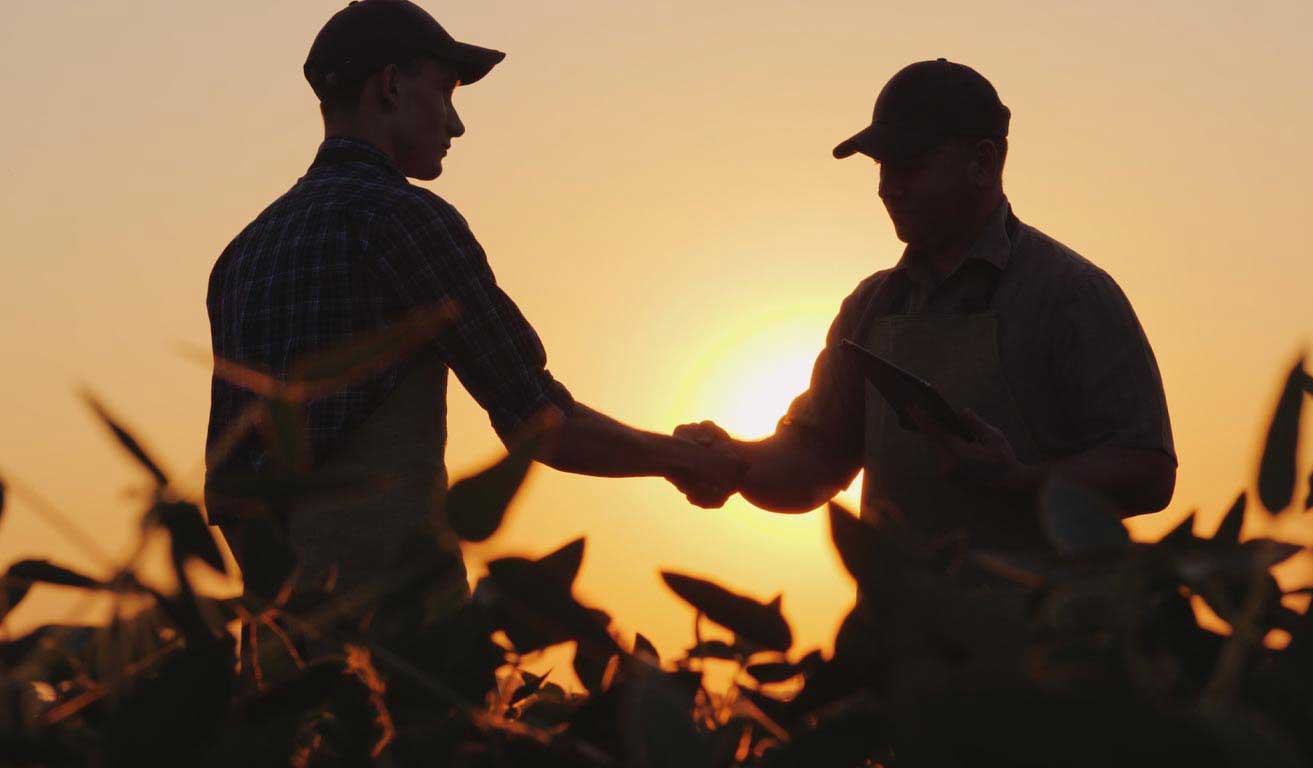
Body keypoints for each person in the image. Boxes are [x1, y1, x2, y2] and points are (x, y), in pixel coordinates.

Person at [204, 0, 744, 596]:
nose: (456, 124)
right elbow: (538, 420)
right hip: (401, 637)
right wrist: (684, 460)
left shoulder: (240, 256)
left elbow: (229, 488)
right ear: (389, 86)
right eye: (446, 91)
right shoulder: (404, 220)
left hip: (281, 656)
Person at [674, 59, 1176, 555]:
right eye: (883, 167)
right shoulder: (870, 307)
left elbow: (1149, 475)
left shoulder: (1073, 295)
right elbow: (813, 466)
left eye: (910, 166)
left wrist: (1022, 480)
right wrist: (731, 461)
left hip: (1036, 631)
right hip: (895, 632)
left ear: (984, 162)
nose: (889, 187)